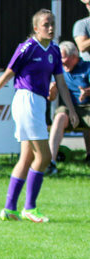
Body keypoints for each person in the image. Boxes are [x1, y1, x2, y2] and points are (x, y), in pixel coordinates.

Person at [0, 10, 76, 223]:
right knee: (45, 157)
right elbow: (8, 73)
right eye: (46, 24)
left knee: (27, 158)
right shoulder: (27, 47)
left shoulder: (55, 50)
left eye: (52, 23)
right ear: (36, 28)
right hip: (26, 101)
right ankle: (29, 208)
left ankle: (10, 209)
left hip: (38, 103)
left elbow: (60, 82)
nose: (51, 28)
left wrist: (71, 109)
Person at [48, 41, 90, 170]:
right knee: (59, 116)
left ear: (74, 57)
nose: (61, 62)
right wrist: (52, 91)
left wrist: (87, 92)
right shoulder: (59, 70)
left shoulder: (87, 67)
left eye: (63, 58)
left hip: (87, 107)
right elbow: (51, 98)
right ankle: (50, 161)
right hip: (69, 108)